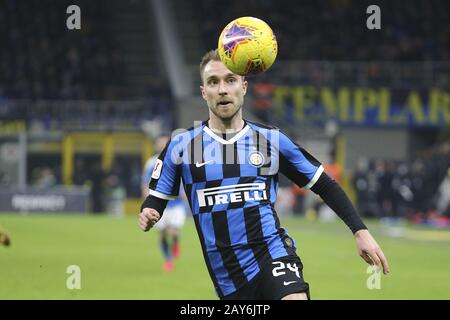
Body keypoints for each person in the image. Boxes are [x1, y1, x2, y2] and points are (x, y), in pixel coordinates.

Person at [138, 49, 389, 300]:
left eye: (230, 80)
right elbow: (158, 196)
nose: (223, 89)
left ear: (244, 87)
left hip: (272, 253)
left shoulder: (271, 140)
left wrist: (360, 232)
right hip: (227, 276)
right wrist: (151, 210)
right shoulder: (182, 145)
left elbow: (324, 184)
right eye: (213, 82)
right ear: (204, 92)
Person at [141, 135, 187, 272]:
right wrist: (147, 200)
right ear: (155, 145)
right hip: (159, 203)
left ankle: (176, 244)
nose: (162, 145)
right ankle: (168, 260)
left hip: (176, 203)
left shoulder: (178, 160)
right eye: (160, 143)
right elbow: (145, 181)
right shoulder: (151, 162)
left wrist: (185, 192)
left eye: (165, 143)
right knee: (162, 234)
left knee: (173, 231)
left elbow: (186, 178)